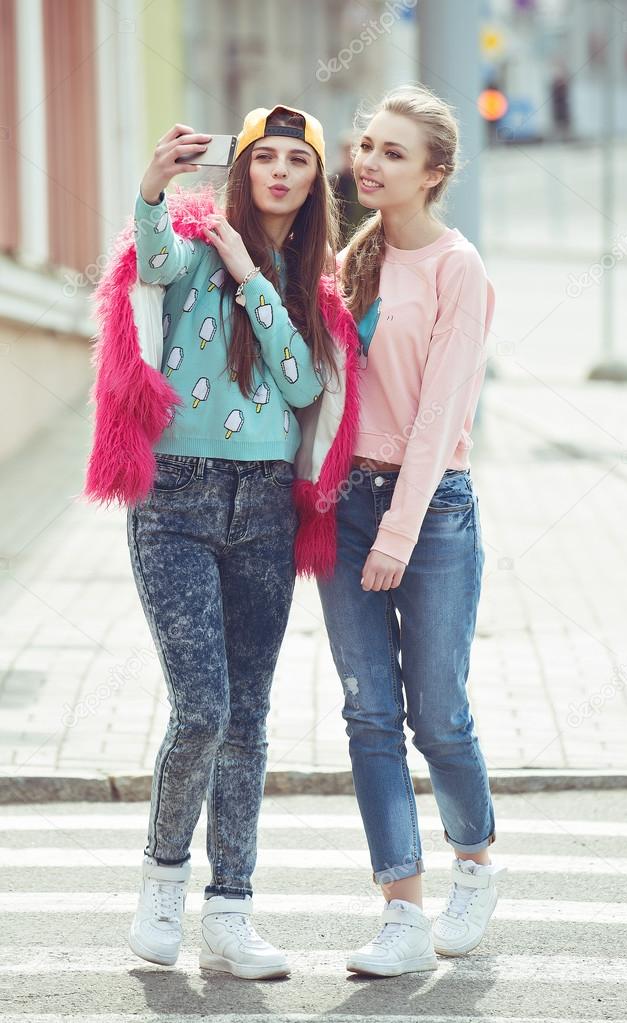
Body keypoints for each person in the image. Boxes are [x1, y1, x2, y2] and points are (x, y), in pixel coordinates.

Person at [83, 107, 359, 979]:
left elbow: (305, 377)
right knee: (200, 708)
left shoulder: (311, 282)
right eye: (264, 157)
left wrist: (256, 279)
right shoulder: (197, 244)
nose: (280, 172)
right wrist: (154, 186)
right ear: (242, 169)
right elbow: (150, 257)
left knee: (248, 719)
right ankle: (163, 882)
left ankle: (231, 909)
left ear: (315, 182)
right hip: (175, 500)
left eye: (297, 162)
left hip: (266, 507)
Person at [317, 84, 507, 978]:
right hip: (345, 507)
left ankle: (474, 864)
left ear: (433, 173)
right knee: (367, 713)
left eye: (392, 152)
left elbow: (438, 416)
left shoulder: (457, 269)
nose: (368, 162)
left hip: (429, 516)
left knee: (438, 715)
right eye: (364, 145)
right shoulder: (351, 256)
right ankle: (399, 909)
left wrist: (396, 532)